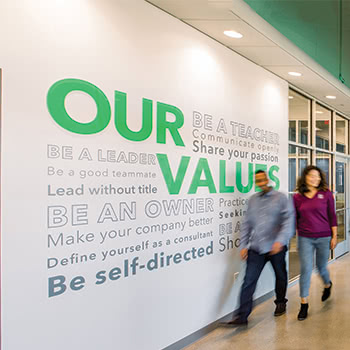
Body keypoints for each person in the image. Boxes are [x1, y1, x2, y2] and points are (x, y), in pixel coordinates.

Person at [226, 170, 295, 326]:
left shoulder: (281, 198)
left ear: (267, 179)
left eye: (262, 179)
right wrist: (243, 245)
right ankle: (241, 317)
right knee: (248, 281)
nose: (261, 182)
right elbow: (246, 224)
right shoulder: (252, 200)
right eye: (257, 180)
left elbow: (288, 221)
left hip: (276, 247)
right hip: (256, 247)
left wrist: (280, 240)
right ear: (256, 182)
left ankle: (280, 302)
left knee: (281, 276)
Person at [293, 165, 337, 321]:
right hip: (305, 238)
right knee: (305, 269)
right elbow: (295, 218)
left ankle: (327, 284)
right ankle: (304, 303)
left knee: (321, 267)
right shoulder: (297, 197)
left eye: (317, 176)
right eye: (311, 175)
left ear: (320, 178)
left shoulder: (326, 194)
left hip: (324, 237)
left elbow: (332, 215)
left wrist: (334, 236)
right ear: (305, 177)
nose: (315, 178)